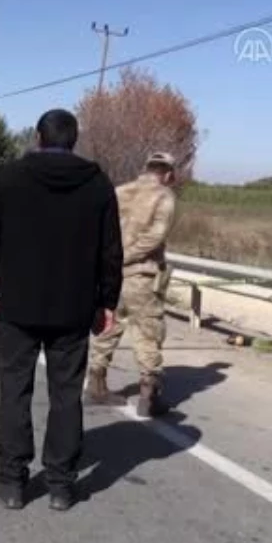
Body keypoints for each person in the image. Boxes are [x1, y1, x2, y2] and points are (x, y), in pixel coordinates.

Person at [0, 108, 123, 512]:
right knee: (66, 395)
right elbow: (111, 251)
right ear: (74, 139)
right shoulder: (98, 185)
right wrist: (108, 300)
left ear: (38, 137)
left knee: (15, 391)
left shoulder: (10, 178)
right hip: (73, 308)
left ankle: (13, 483)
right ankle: (61, 485)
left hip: (19, 304)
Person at [87, 152, 178, 417]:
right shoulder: (164, 196)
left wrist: (109, 260)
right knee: (148, 331)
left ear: (145, 168)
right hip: (141, 276)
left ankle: (96, 383)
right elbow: (155, 237)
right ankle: (149, 396)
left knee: (107, 326)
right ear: (169, 174)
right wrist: (127, 258)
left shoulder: (119, 192)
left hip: (111, 275)